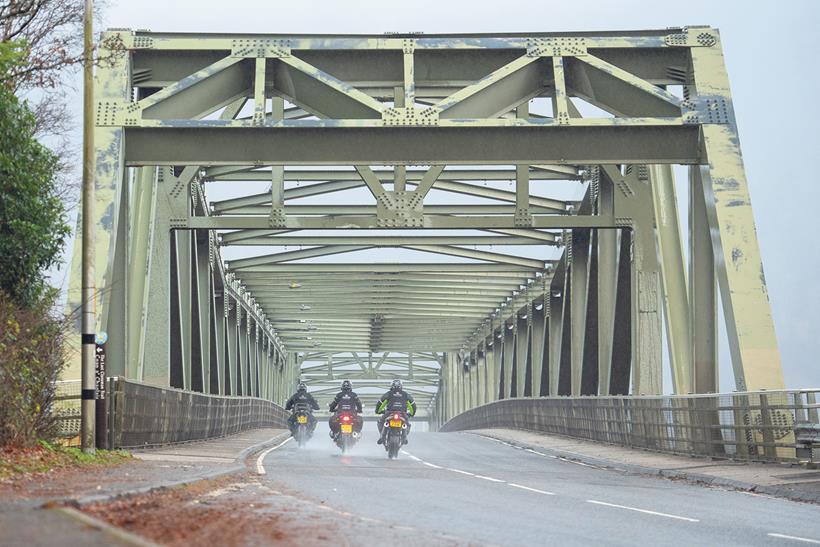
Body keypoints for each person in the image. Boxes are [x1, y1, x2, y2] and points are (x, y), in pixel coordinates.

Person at [375, 379, 416, 445]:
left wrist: (378, 411)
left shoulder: (389, 394)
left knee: (381, 422)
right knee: (407, 424)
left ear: (392, 386)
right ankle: (405, 438)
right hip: (402, 414)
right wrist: (412, 414)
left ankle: (381, 437)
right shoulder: (406, 395)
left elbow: (381, 403)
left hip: (389, 413)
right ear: (401, 386)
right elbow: (413, 405)